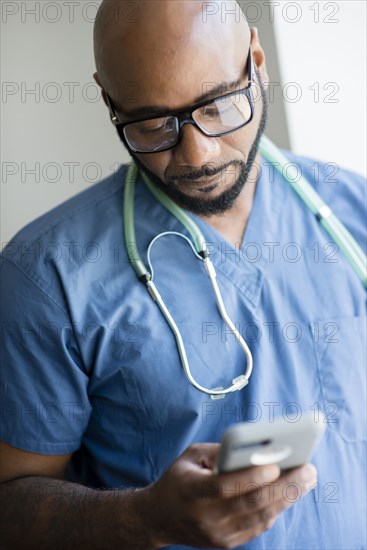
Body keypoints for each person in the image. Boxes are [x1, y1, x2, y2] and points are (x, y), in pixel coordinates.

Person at [0, 1, 366, 548]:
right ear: (108, 101)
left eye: (218, 105)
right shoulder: (46, 275)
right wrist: (146, 519)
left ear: (257, 62)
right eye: (152, 123)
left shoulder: (351, 211)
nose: (198, 153)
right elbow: (9, 503)